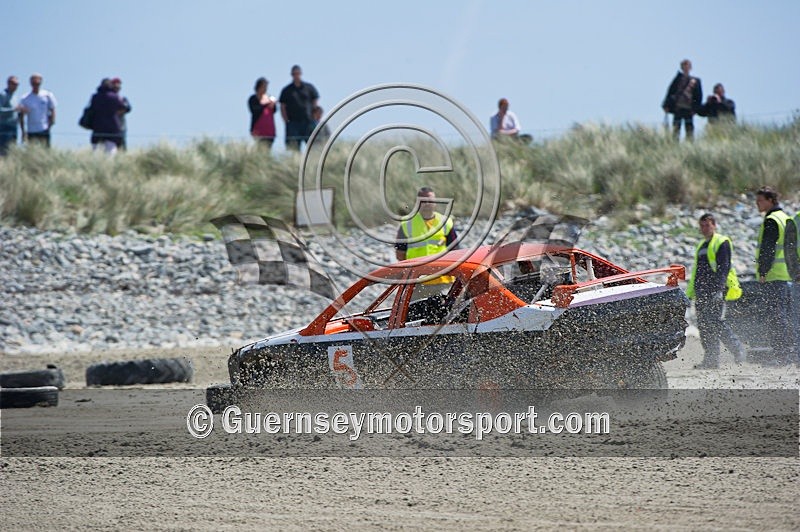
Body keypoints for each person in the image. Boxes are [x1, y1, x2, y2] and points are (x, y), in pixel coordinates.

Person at [686, 213, 745, 368]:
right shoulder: (701, 246)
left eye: (707, 225)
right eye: (702, 226)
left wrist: (718, 290)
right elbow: (696, 272)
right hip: (702, 291)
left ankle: (738, 349)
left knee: (716, 323)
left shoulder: (721, 242)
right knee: (704, 326)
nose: (704, 229)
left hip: (716, 290)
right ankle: (711, 360)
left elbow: (723, 268)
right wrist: (691, 294)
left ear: (714, 225)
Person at [753, 186, 797, 365]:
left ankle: (781, 356)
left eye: (760, 200)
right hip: (788, 275)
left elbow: (768, 248)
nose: (757, 204)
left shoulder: (771, 220)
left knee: (776, 318)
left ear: (771, 200)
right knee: (786, 316)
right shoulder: (786, 218)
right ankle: (790, 354)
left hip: (774, 276)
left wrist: (763, 271)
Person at [279, 65, 319, 151]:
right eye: (294, 74)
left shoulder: (309, 88)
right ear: (292, 75)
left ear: (300, 74)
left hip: (308, 122)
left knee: (314, 146)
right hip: (293, 123)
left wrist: (315, 117)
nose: (296, 75)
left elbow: (315, 101)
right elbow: (282, 106)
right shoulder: (286, 90)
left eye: (298, 73)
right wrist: (286, 120)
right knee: (293, 148)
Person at [662, 59, 702, 141]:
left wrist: (695, 109)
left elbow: (698, 96)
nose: (686, 67)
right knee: (676, 128)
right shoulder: (678, 79)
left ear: (690, 67)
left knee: (689, 129)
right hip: (678, 107)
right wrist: (666, 105)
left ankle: (690, 146)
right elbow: (670, 91)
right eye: (684, 66)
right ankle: (674, 144)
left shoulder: (695, 81)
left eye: (687, 65)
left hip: (689, 108)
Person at [88, 78, 126, 154]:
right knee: (110, 153)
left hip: (97, 128)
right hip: (112, 129)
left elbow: (91, 110)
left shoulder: (95, 97)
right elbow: (124, 108)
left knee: (96, 153)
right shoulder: (115, 97)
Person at [18, 73, 57, 147]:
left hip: (44, 128)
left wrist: (51, 122)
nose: (35, 85)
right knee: (31, 153)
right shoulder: (25, 98)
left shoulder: (47, 95)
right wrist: (23, 131)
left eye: (37, 83)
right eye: (33, 83)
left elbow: (52, 109)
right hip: (31, 130)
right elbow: (21, 115)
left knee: (45, 151)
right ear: (30, 83)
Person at [248, 77, 277, 148]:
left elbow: (274, 110)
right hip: (258, 130)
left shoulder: (269, 97)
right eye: (264, 86)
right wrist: (264, 103)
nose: (265, 89)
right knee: (259, 149)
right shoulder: (253, 99)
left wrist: (273, 104)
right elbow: (254, 110)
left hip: (270, 131)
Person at [0, 75, 21, 155]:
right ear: (8, 84)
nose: (15, 86)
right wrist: (13, 109)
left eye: (17, 84)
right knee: (3, 150)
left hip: (13, 126)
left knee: (12, 149)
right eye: (14, 84)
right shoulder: (3, 95)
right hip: (4, 126)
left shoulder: (15, 96)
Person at [109, 78, 132, 150]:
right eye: (115, 85)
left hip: (121, 127)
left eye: (118, 85)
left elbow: (128, 108)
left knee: (122, 149)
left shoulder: (122, 99)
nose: (117, 86)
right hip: (110, 128)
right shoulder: (108, 99)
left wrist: (120, 111)